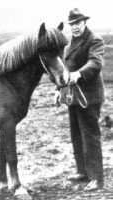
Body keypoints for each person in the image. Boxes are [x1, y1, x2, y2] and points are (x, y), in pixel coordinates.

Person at [56, 8, 105, 191]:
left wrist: (79, 74)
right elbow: (65, 69)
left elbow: (96, 62)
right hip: (73, 97)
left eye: (77, 23)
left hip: (89, 98)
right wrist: (58, 89)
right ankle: (83, 172)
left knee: (90, 136)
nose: (74, 27)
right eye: (72, 24)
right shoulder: (69, 44)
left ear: (85, 22)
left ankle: (97, 178)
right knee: (76, 134)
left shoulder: (95, 40)